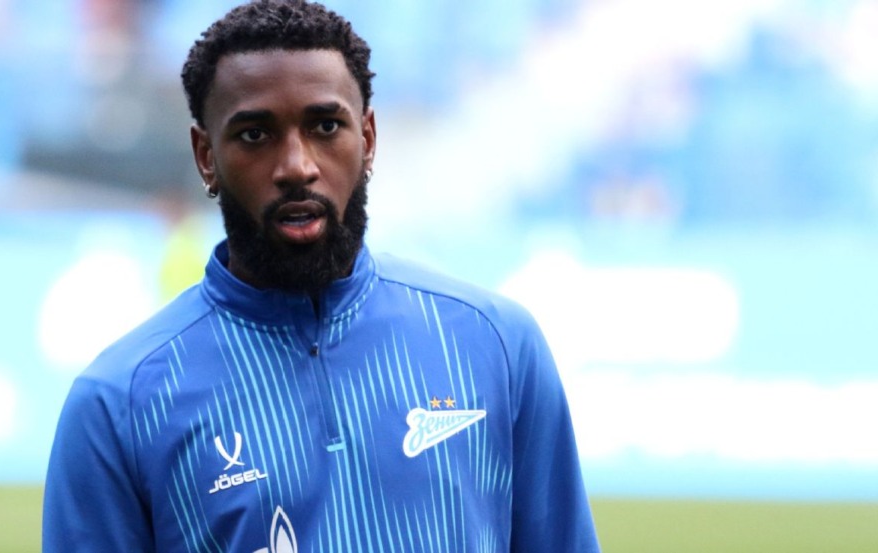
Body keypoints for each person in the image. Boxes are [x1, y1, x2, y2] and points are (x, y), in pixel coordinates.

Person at [42, 1, 600, 551]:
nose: (297, 166)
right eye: (255, 135)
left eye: (326, 126)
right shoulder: (118, 405)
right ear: (205, 155)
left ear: (369, 139)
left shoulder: (497, 344)